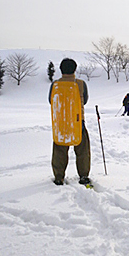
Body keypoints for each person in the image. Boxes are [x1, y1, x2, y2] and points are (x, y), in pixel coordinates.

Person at [48, 58, 91, 186]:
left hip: (61, 122)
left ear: (61, 70)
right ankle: (83, 176)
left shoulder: (55, 85)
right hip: (78, 122)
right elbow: (85, 100)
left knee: (59, 150)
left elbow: (51, 101)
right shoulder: (81, 84)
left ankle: (59, 177)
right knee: (83, 151)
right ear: (75, 69)